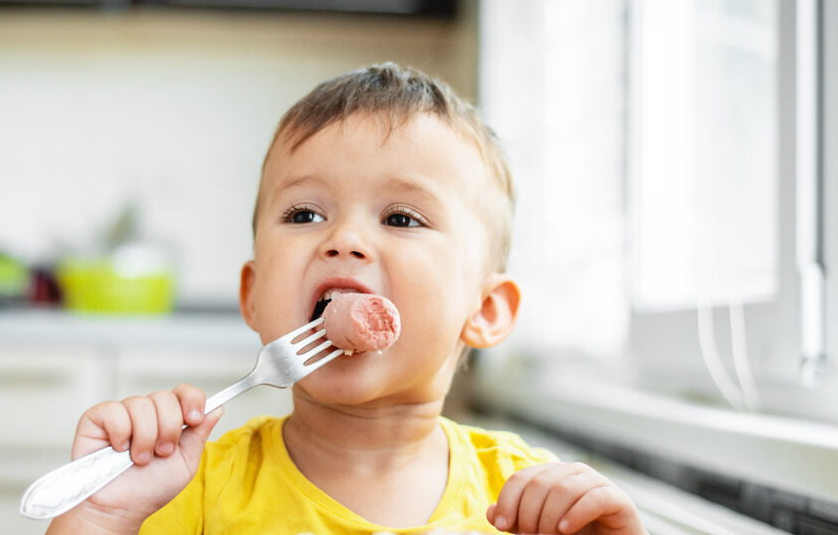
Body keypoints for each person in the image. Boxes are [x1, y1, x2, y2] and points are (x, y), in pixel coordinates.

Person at [45, 63, 646, 535]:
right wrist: (101, 516)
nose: (345, 239)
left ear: (484, 311)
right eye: (305, 214)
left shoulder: (528, 500)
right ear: (253, 296)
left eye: (402, 218)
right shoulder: (188, 489)